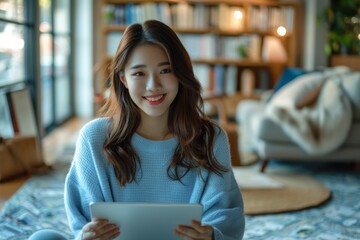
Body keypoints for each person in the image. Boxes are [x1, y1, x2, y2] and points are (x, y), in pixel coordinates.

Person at [29, 19, 245, 240]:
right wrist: (87, 236)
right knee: (43, 237)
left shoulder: (210, 138)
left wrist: (210, 235)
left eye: (166, 70)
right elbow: (84, 221)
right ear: (123, 78)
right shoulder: (94, 137)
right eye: (139, 73)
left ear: (181, 74)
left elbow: (224, 217)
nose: (153, 85)